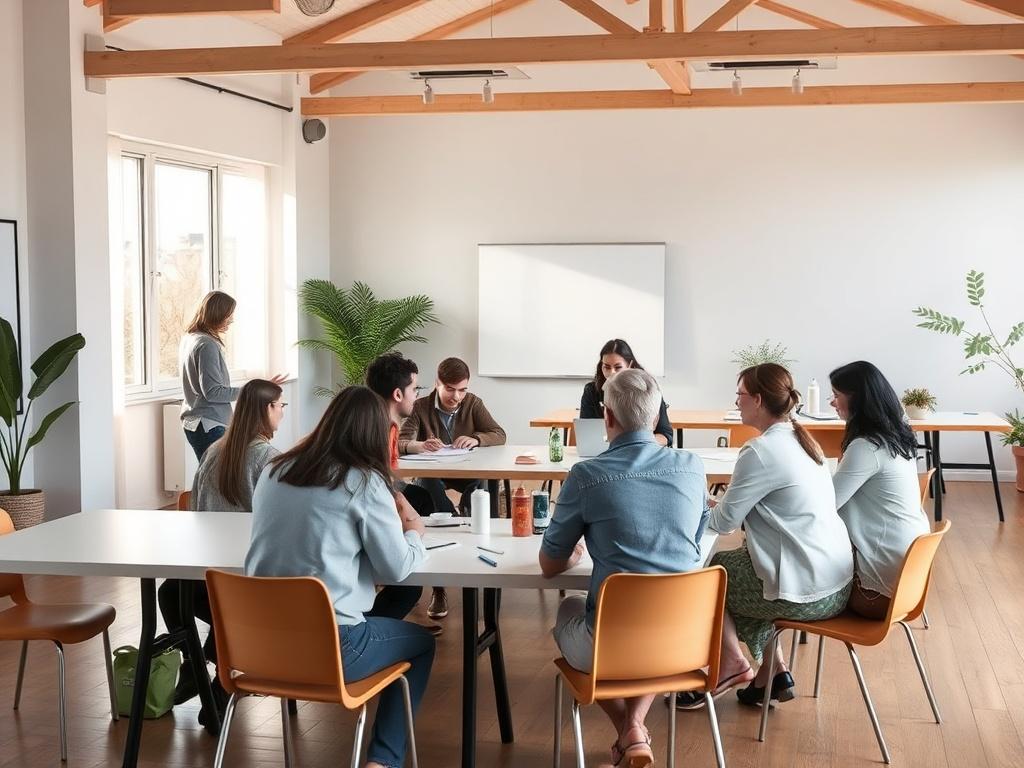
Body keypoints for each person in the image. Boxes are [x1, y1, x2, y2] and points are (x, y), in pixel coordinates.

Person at [246, 386, 434, 768]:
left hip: (260, 645)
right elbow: (396, 567)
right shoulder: (363, 481)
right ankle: (382, 761)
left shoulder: (273, 470)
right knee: (422, 643)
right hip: (332, 649)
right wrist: (414, 530)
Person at [540, 369, 709, 768]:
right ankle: (635, 728)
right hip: (684, 643)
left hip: (611, 648)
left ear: (607, 417)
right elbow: (695, 538)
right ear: (656, 417)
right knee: (655, 613)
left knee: (569, 607)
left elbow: (549, 564)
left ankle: (627, 726)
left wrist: (575, 555)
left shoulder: (586, 475)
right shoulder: (692, 466)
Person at [676, 363, 852, 711]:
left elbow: (724, 523)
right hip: (837, 583)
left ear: (757, 399)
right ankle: (773, 670)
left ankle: (731, 664)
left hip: (807, 593)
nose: (736, 402)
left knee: (709, 576)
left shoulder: (760, 451)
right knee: (742, 566)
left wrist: (692, 505)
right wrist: (723, 505)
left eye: (740, 395)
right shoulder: (805, 442)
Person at [159, 379, 285, 719]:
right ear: (267, 410)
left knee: (171, 592)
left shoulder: (214, 451)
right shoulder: (269, 458)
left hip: (204, 574)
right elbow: (281, 522)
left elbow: (194, 511)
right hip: (248, 581)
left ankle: (195, 666)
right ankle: (216, 682)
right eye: (280, 406)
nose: (283, 412)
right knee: (233, 603)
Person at [398, 356, 506, 620]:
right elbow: (400, 442)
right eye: (450, 389)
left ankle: (471, 543)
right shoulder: (420, 406)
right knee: (427, 486)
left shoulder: (473, 403)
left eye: (462, 390)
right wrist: (419, 445)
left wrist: (476, 439)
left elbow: (499, 434)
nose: (457, 397)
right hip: (434, 472)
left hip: (466, 470)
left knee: (480, 487)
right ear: (437, 383)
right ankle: (440, 585)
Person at [829, 361, 929, 619]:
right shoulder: (896, 438)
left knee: (778, 585)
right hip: (906, 587)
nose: (832, 402)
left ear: (858, 399)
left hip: (874, 595)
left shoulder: (867, 447)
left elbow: (825, 507)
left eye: (837, 395)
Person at [366, 351, 443, 636]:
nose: (417, 395)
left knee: (421, 497)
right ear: (398, 394)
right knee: (419, 499)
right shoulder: (380, 428)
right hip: (374, 499)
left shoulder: (384, 423)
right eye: (414, 389)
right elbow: (378, 485)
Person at [179, 290, 286, 461]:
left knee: (207, 472)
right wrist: (252, 392)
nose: (231, 320)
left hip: (195, 422)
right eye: (228, 315)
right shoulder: (207, 345)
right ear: (216, 314)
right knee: (218, 474)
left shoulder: (190, 338)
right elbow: (213, 392)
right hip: (209, 424)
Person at [580, 339, 673, 447]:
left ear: (630, 365)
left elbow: (665, 435)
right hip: (604, 451)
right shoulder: (592, 391)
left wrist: (633, 443)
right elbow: (586, 433)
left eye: (618, 367)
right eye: (607, 367)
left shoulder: (648, 388)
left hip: (642, 450)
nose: (612, 373)